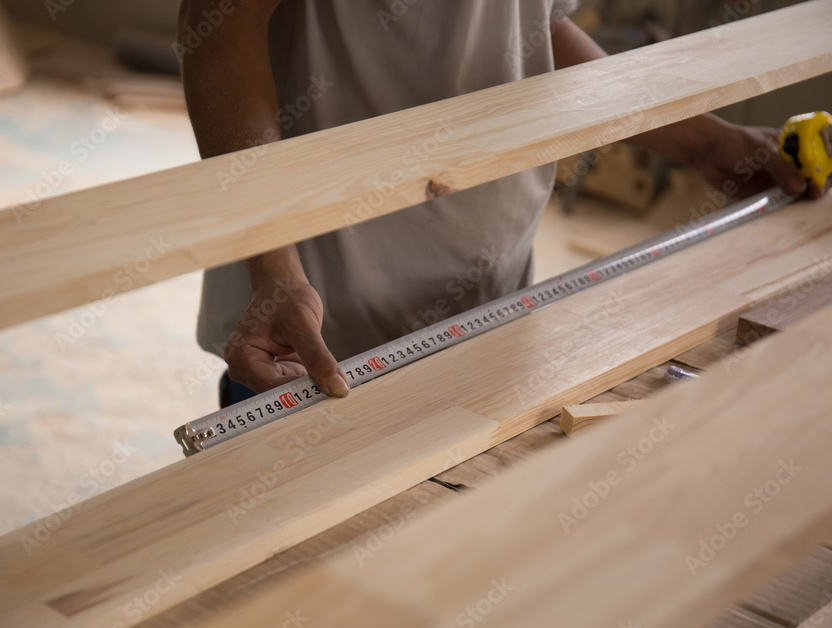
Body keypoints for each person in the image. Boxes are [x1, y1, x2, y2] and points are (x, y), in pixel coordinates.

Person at [177, 0, 818, 408]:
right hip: (312, 329)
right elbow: (218, 24)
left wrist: (707, 143)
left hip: (492, 303)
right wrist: (273, 269)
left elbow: (536, 24)